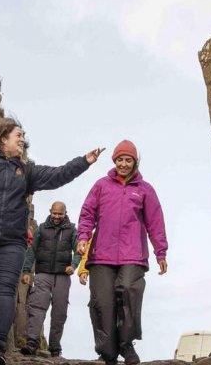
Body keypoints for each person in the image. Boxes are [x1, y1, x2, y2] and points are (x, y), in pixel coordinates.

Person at [0, 120, 104, 365]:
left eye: (23, 136)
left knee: (3, 290)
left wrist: (83, 161)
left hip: (10, 243)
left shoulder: (27, 171)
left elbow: (58, 175)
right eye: (18, 135)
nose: (22, 139)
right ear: (2, 138)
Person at [77, 140, 168, 365]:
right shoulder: (101, 185)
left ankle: (127, 345)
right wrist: (83, 237)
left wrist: (161, 252)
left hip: (133, 254)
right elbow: (87, 213)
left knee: (129, 292)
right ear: (114, 161)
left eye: (128, 160)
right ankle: (107, 351)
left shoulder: (145, 190)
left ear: (135, 162)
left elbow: (155, 222)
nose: (124, 164)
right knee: (102, 302)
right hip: (101, 255)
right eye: (120, 160)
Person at [19, 201, 80, 357]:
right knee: (37, 307)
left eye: (60, 214)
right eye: (54, 213)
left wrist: (73, 265)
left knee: (59, 312)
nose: (57, 217)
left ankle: (54, 346)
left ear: (65, 213)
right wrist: (26, 271)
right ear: (50, 211)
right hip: (43, 274)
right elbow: (32, 251)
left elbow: (78, 251)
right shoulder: (41, 229)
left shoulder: (72, 230)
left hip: (62, 276)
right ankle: (32, 342)